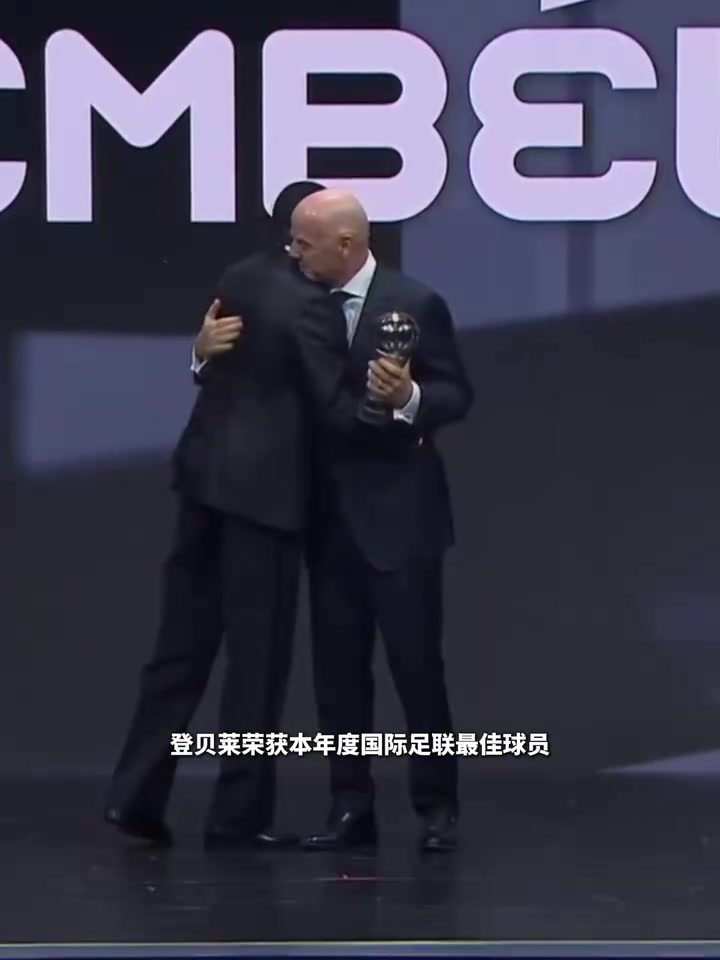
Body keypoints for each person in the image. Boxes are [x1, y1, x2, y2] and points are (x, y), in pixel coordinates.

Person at [104, 181, 340, 850]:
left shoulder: (240, 277)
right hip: (265, 500)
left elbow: (223, 367)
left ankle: (133, 794)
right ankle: (238, 816)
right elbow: (333, 400)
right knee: (256, 664)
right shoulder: (316, 304)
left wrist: (198, 355)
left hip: (204, 482)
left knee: (179, 648)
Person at [289, 189, 474, 853]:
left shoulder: (415, 303)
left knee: (417, 669)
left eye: (304, 242)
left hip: (401, 517)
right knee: (338, 676)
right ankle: (350, 807)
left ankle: (437, 806)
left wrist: (409, 397)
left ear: (346, 244)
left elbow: (457, 393)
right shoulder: (296, 302)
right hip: (326, 518)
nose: (293, 253)